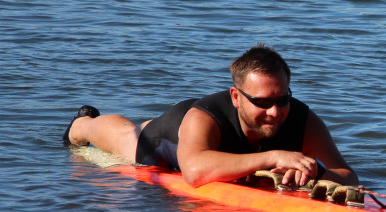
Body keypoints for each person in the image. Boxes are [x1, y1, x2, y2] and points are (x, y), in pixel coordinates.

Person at [63, 45, 358, 188]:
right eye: (263, 102)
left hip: (214, 143)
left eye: (283, 100)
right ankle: (82, 123)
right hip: (173, 135)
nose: (275, 111)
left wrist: (317, 172)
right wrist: (274, 157)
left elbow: (348, 176)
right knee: (128, 138)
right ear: (235, 96)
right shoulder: (204, 117)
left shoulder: (304, 119)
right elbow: (194, 172)